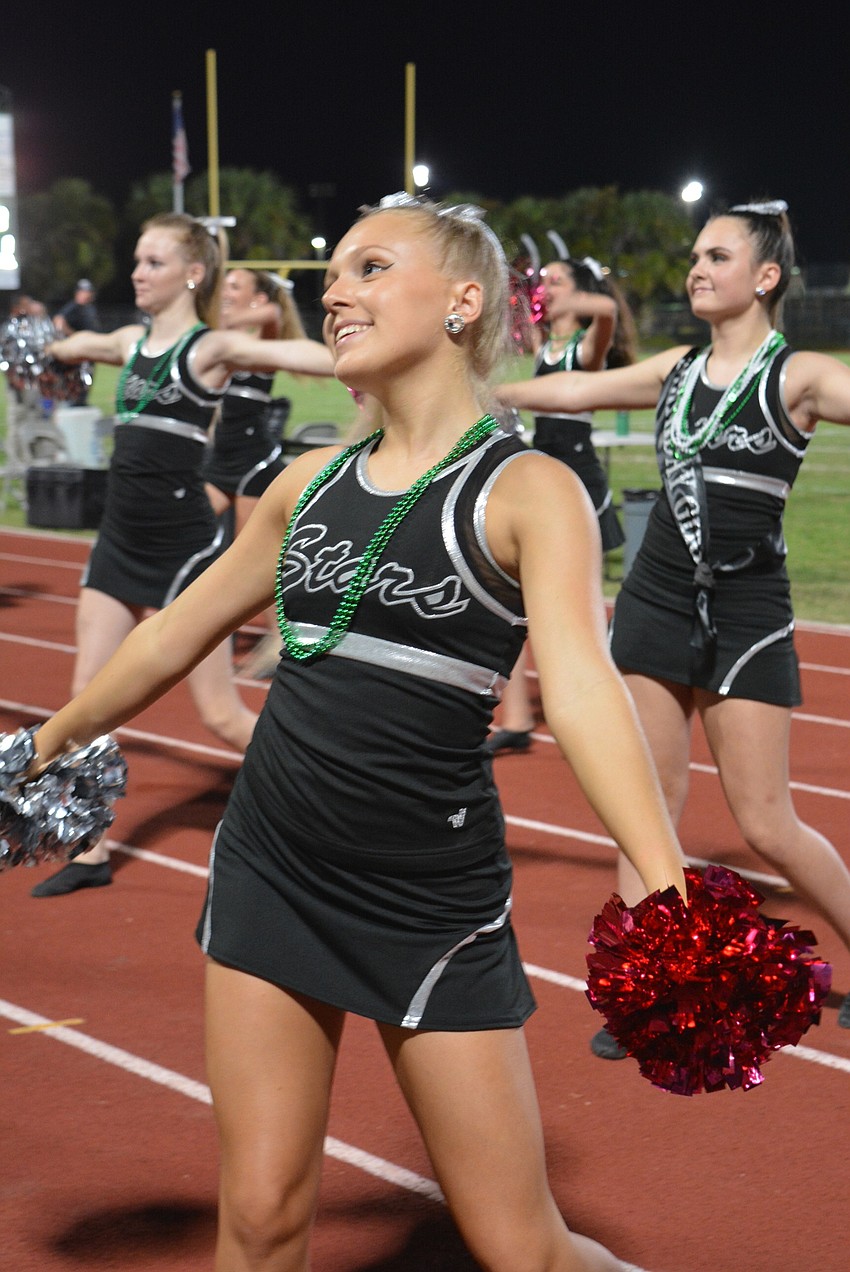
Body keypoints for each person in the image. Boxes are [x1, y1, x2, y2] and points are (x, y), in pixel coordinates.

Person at [25, 194, 687, 1270]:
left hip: (425, 896)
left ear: (462, 301)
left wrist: (665, 883)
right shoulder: (307, 480)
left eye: (370, 268)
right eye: (333, 275)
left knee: (521, 1247)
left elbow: (579, 690)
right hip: (271, 864)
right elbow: (173, 634)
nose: (336, 292)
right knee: (261, 1216)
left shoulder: (528, 489)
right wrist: (44, 742)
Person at [497, 199, 850, 1056]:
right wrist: (479, 391)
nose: (697, 268)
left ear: (766, 277)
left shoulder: (798, 376)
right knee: (645, 803)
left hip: (746, 611)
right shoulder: (676, 369)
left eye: (717, 256)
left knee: (765, 820)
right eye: (696, 255)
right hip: (656, 598)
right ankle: (651, 985)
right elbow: (573, 391)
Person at [29, 212, 334, 898]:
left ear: (193, 273)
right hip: (117, 542)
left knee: (220, 715)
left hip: (182, 551)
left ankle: (328, 795)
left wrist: (385, 356)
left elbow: (303, 357)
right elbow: (79, 343)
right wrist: (51, 348)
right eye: (138, 260)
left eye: (154, 262)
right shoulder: (129, 341)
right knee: (86, 701)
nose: (138, 273)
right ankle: (90, 851)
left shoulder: (210, 348)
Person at [488, 256, 638, 756]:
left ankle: (610, 700)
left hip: (579, 481)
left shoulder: (586, 348)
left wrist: (578, 297)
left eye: (556, 281)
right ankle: (516, 719)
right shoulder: (544, 343)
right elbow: (513, 313)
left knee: (576, 609)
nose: (544, 288)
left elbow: (608, 313)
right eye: (542, 280)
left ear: (579, 291)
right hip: (542, 478)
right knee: (513, 599)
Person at [203, 267, 307, 678]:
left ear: (258, 298)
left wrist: (230, 315)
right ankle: (195, 626)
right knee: (184, 531)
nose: (226, 291)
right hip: (220, 465)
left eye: (235, 285)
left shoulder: (264, 346)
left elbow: (273, 316)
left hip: (253, 467)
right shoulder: (226, 344)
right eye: (224, 283)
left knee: (254, 563)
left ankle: (278, 642)